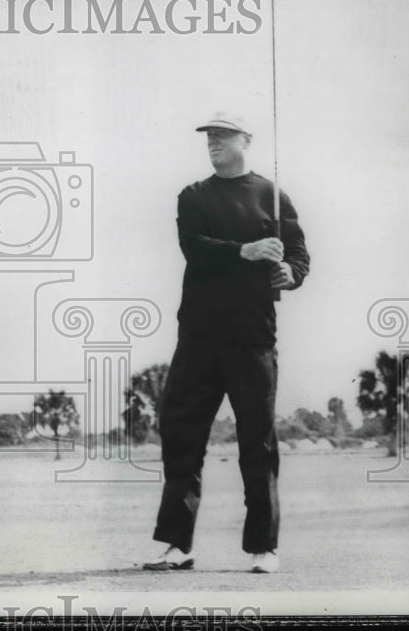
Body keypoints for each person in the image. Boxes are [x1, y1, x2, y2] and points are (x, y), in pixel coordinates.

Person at [143, 111, 309, 575]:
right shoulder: (193, 195)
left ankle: (264, 548)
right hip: (198, 335)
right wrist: (246, 251)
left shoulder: (272, 196)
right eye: (208, 137)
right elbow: (193, 246)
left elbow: (298, 254)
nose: (212, 142)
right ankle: (177, 546)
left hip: (253, 335)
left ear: (246, 140)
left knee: (257, 441)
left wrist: (290, 273)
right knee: (181, 435)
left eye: (222, 135)